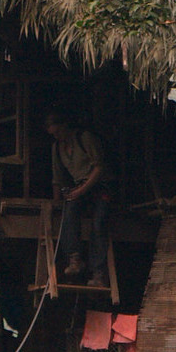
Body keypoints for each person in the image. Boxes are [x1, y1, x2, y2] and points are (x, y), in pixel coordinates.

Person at [44, 107, 114, 285]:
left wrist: (81, 190)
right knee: (69, 212)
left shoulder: (84, 139)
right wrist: (57, 202)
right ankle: (74, 258)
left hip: (98, 185)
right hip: (79, 188)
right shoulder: (57, 147)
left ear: (65, 125)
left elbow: (100, 167)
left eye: (58, 131)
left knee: (99, 224)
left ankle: (98, 273)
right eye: (53, 134)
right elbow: (57, 178)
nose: (57, 136)